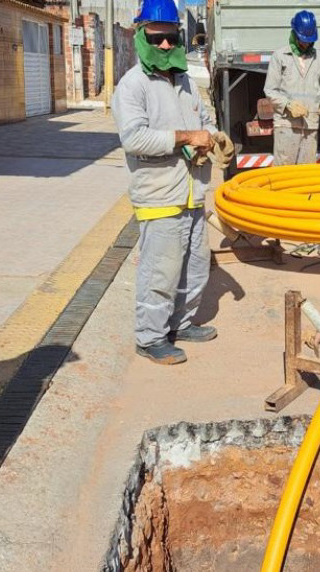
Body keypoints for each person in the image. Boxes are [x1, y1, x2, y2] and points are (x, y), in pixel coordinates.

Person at [112, 0, 232, 365]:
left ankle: (180, 323)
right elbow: (134, 139)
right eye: (157, 37)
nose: (165, 45)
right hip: (160, 195)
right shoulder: (133, 86)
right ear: (142, 36)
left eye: (170, 38)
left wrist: (214, 137)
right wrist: (184, 137)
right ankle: (150, 338)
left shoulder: (184, 82)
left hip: (193, 193)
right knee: (159, 272)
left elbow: (203, 119)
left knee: (195, 267)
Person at [264, 10, 320, 166]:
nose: (306, 43)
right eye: (303, 40)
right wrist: (288, 105)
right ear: (294, 34)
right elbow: (270, 90)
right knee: (283, 175)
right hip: (286, 125)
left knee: (305, 176)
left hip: (310, 126)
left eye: (309, 40)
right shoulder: (280, 57)